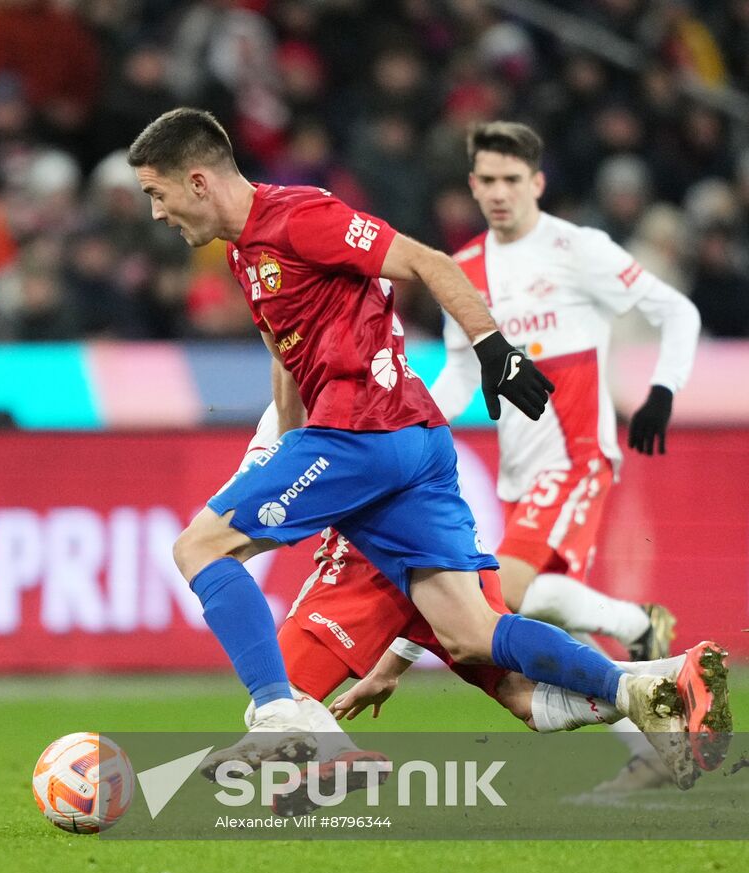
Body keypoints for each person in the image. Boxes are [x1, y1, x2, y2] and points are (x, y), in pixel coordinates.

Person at [126, 107, 704, 786]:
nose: (158, 214)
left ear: (197, 181)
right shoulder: (244, 253)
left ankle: (281, 717)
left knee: (199, 546)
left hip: (363, 431)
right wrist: (280, 442)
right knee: (470, 629)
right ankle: (642, 690)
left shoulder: (302, 216)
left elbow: (425, 261)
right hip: (407, 442)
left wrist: (495, 350)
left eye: (156, 194)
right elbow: (290, 355)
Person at [235, 404, 730, 800]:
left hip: (370, 552)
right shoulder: (376, 365)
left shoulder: (308, 384)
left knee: (279, 689)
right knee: (524, 697)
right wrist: (391, 664)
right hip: (440, 527)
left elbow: (262, 490)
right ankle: (671, 674)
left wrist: (215, 544)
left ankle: (335, 758)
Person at [428, 121, 707, 788]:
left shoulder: (577, 249)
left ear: (537, 183)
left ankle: (638, 640)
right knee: (528, 613)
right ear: (472, 185)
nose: (498, 193)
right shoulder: (462, 271)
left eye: (511, 180)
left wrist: (663, 389)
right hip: (520, 473)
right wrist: (412, 429)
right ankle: (647, 721)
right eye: (487, 181)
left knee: (499, 599)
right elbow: (463, 376)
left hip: (577, 457)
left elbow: (679, 312)